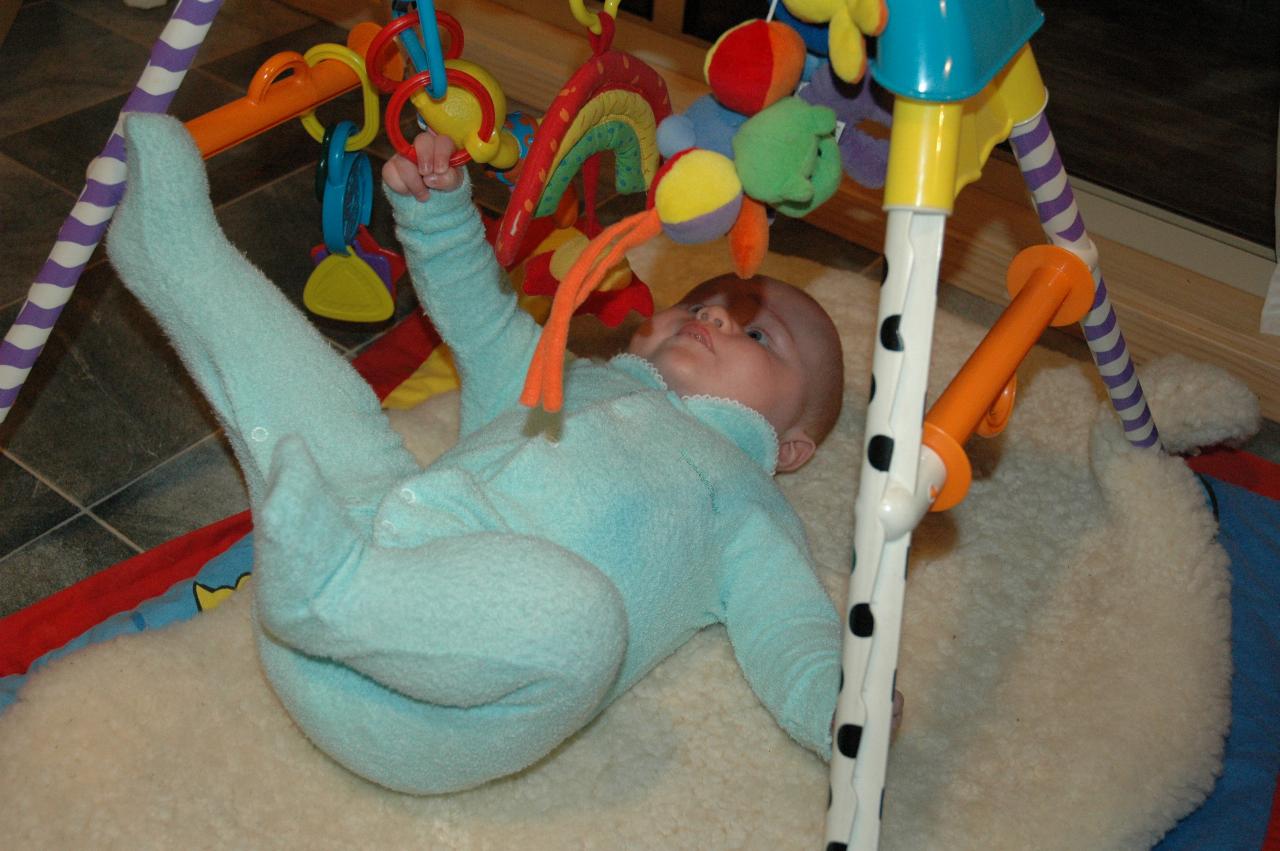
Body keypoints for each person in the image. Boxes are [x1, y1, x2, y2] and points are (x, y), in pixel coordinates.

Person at [105, 115, 847, 796]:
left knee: (583, 617)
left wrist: (842, 712)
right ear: (647, 331)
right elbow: (479, 313)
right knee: (330, 414)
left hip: (439, 709)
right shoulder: (561, 372)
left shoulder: (748, 501)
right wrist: (437, 211)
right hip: (363, 558)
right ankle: (179, 257)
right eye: (699, 304)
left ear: (790, 446)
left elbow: (792, 628)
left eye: (759, 335)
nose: (714, 315)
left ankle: (334, 591)